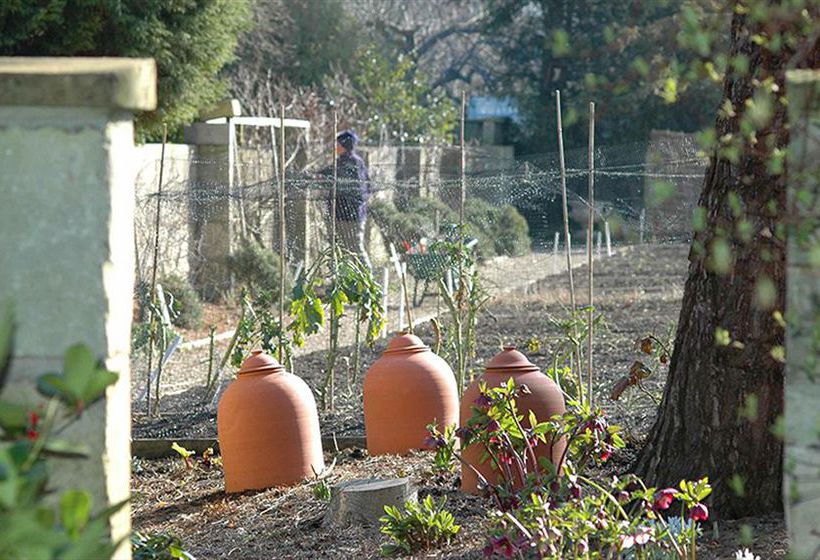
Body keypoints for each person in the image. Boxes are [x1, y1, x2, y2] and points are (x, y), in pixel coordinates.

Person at [331, 129, 372, 268]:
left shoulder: (350, 163)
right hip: (343, 214)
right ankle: (348, 281)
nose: (335, 147)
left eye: (337, 144)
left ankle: (368, 282)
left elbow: (363, 189)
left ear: (344, 145)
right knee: (343, 250)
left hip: (352, 216)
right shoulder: (348, 162)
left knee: (355, 248)